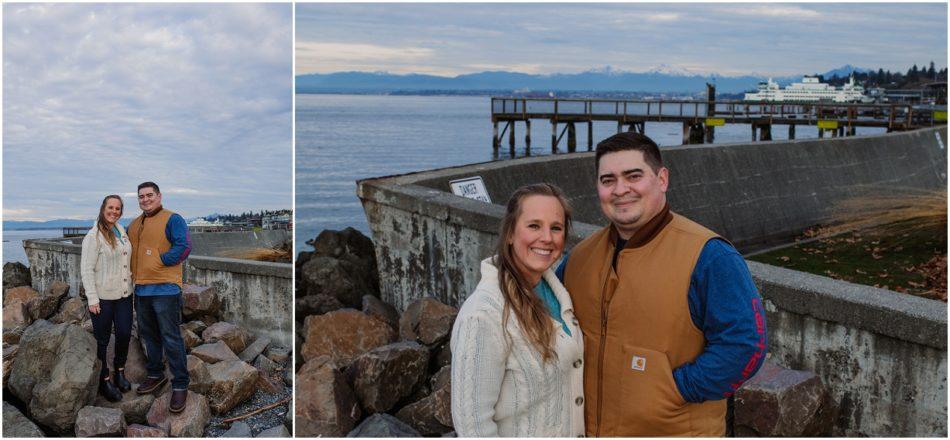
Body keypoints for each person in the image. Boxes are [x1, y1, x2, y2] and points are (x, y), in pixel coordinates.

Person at [559, 132, 767, 437]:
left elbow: (746, 345)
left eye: (633, 176)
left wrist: (674, 388)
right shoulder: (580, 257)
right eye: (608, 180)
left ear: (662, 179)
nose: (621, 190)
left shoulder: (709, 255)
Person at [451, 183, 585, 437]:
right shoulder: (483, 314)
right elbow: (473, 428)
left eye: (555, 228)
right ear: (510, 233)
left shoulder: (559, 294)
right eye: (534, 226)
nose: (546, 237)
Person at [128, 181, 192, 412]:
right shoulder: (135, 224)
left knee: (171, 337)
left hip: (166, 289)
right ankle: (155, 374)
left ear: (159, 196)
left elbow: (184, 246)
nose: (145, 199)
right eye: (141, 196)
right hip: (141, 289)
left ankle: (180, 384)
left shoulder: (173, 218)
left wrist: (160, 260)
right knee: (149, 336)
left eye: (149, 195)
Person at [80, 195, 134, 402]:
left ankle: (119, 370)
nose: (114, 211)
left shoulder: (121, 231)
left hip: (124, 295)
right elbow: (86, 270)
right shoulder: (93, 237)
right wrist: (92, 299)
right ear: (103, 209)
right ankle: (104, 379)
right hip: (102, 298)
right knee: (102, 340)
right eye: (110, 207)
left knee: (123, 334)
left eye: (118, 208)